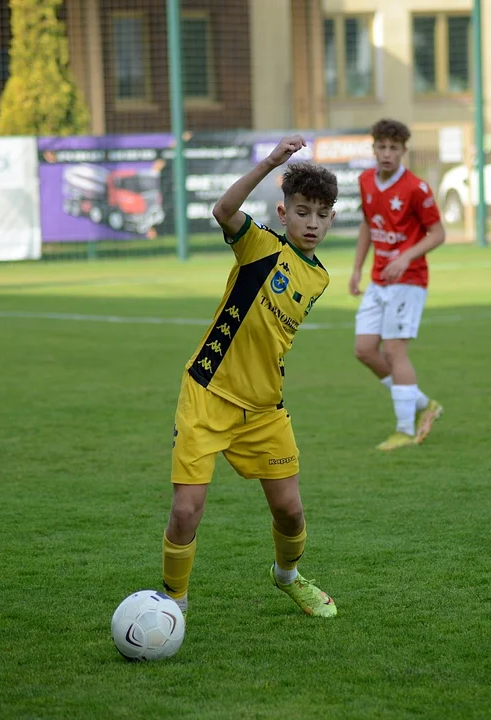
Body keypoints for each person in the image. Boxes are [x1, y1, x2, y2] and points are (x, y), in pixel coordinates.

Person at [161, 135, 338, 619]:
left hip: (264, 408)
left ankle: (288, 577)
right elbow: (223, 209)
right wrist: (270, 163)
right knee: (185, 511)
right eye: (302, 212)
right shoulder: (258, 245)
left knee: (290, 511)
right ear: (284, 214)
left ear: (332, 220)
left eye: (322, 215)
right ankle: (173, 604)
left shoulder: (320, 279)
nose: (312, 223)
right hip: (208, 392)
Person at [350, 118, 446, 451]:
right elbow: (367, 225)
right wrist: (356, 269)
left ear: (404, 151)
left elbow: (439, 234)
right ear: (373, 148)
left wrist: (406, 257)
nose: (387, 153)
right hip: (379, 279)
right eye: (382, 147)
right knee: (364, 350)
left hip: (409, 279)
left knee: (393, 351)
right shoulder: (365, 180)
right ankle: (423, 404)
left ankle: (405, 430)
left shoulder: (416, 189)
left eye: (394, 148)